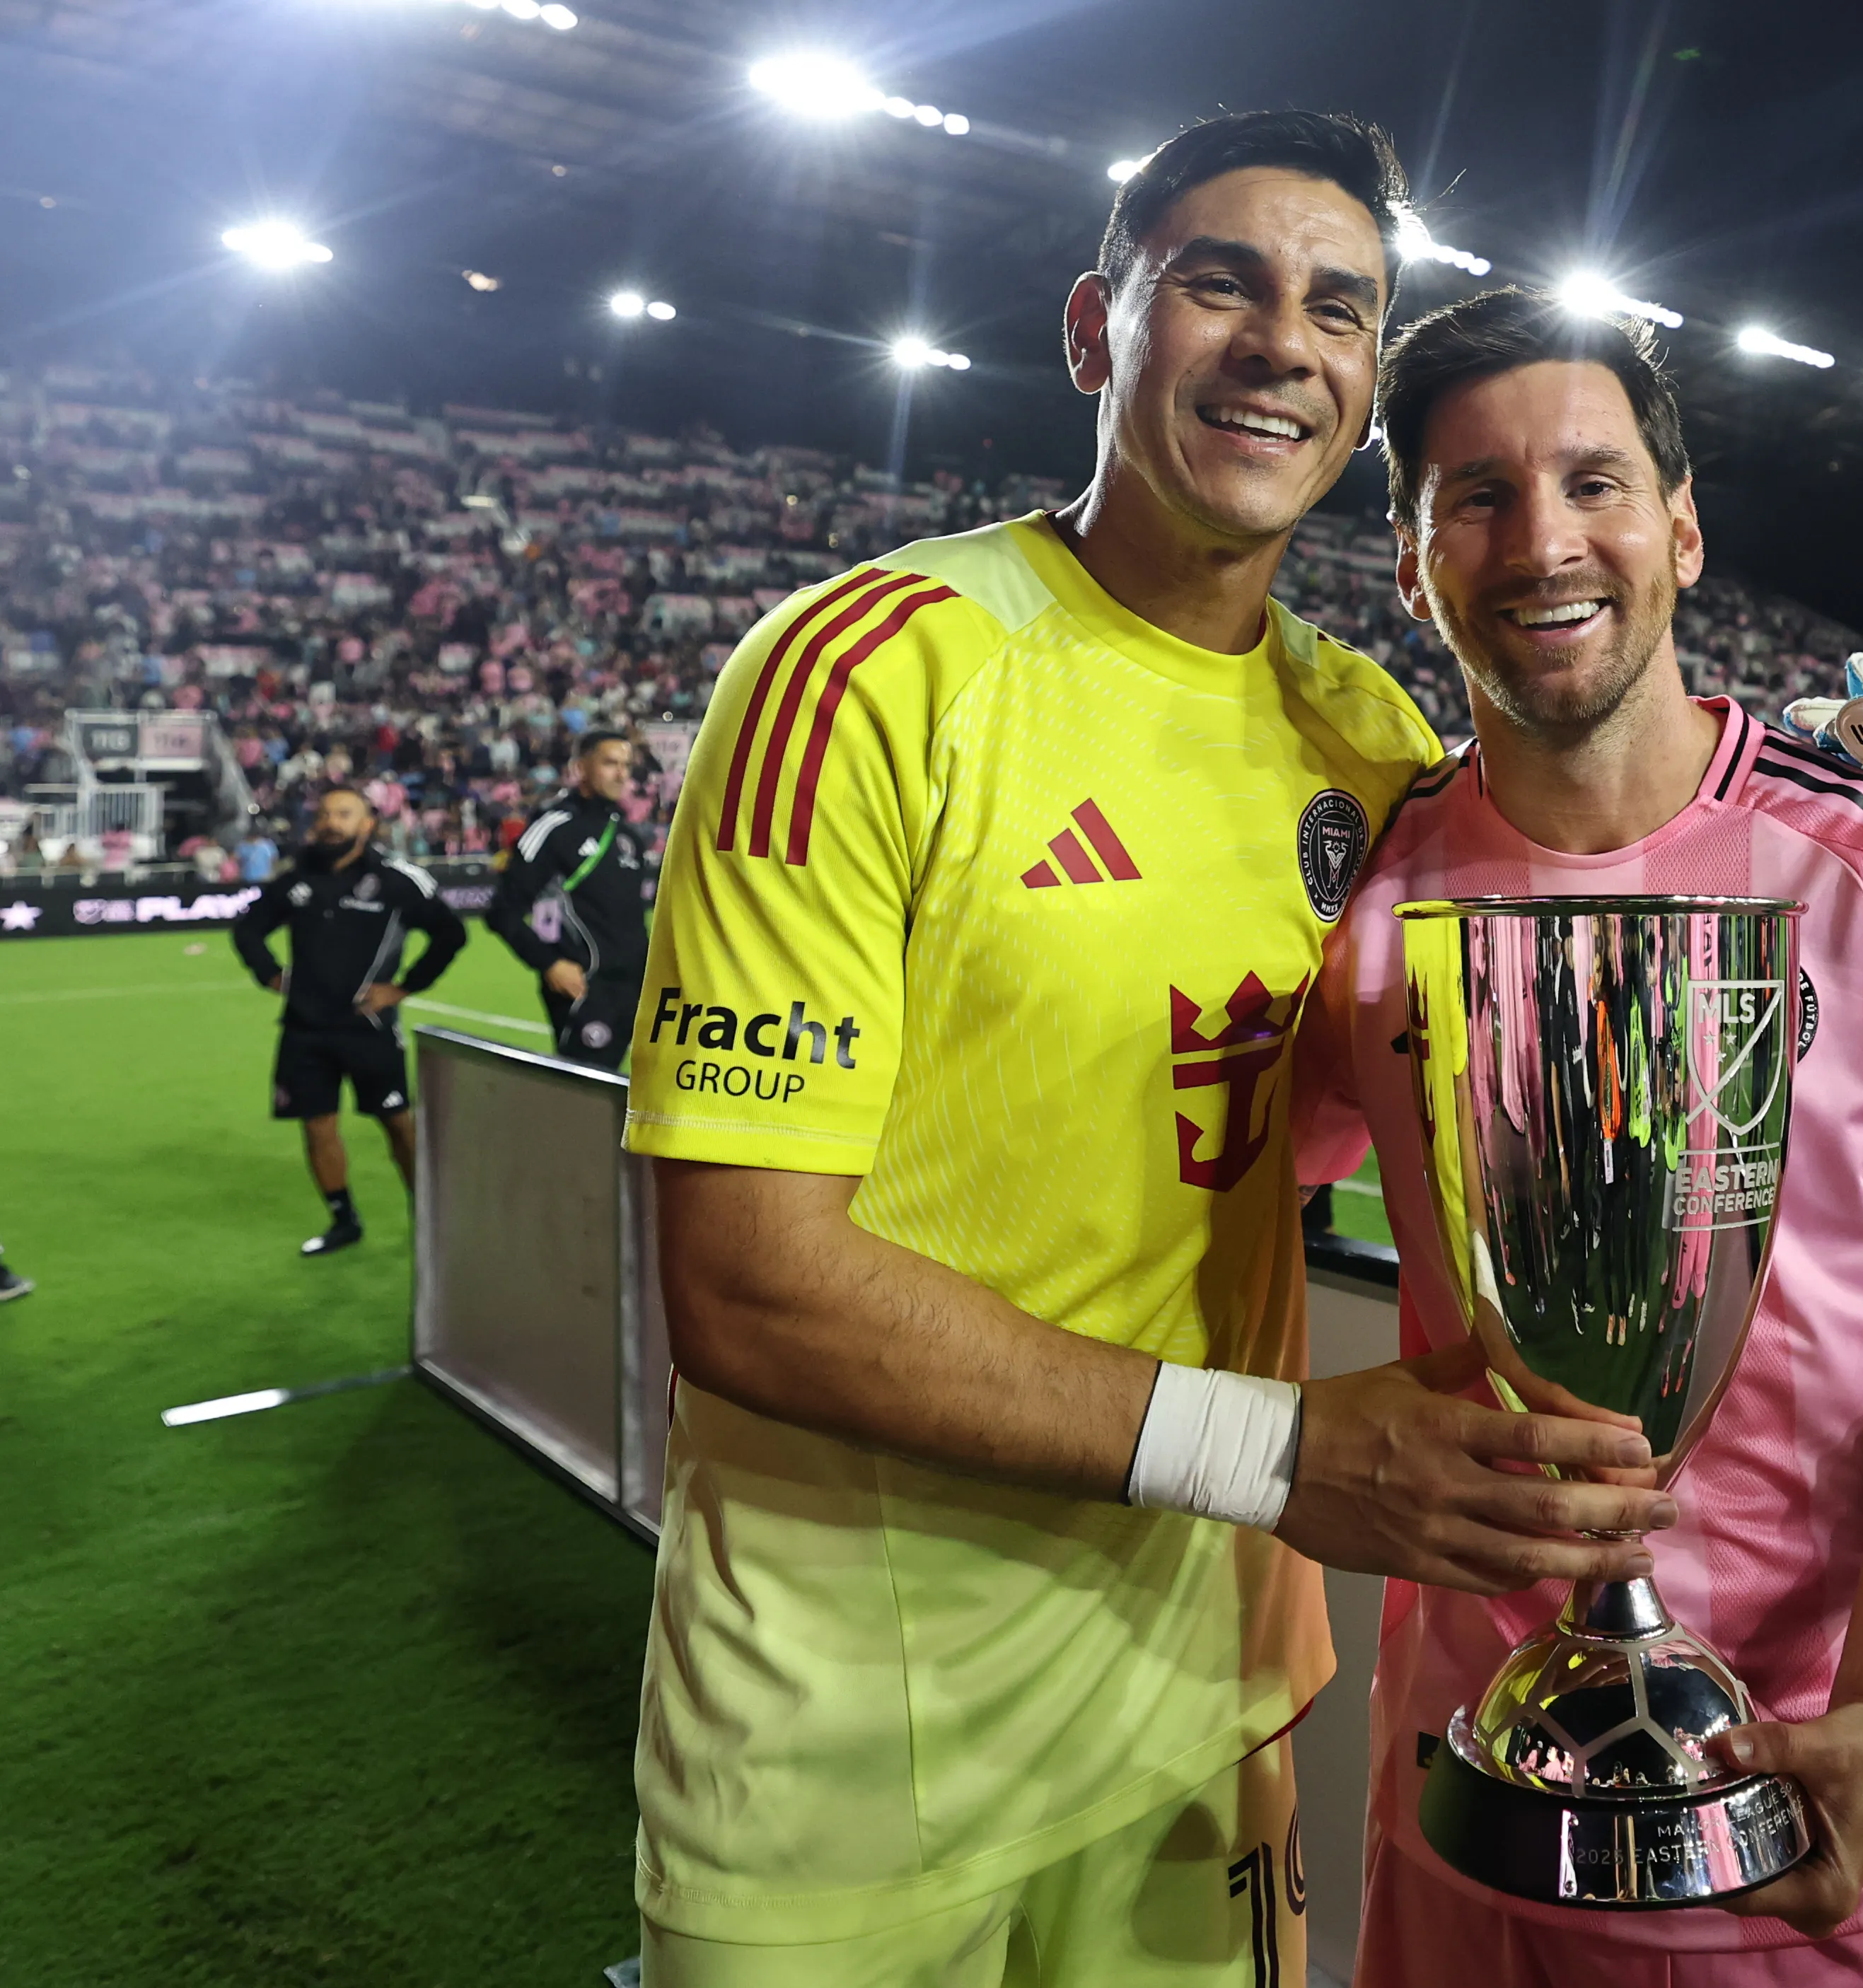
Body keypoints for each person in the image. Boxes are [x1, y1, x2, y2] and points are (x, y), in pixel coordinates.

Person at [617, 112, 1673, 1988]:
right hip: (850, 1753)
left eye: (1340, 305)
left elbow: (1570, 951)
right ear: (1099, 330)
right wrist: (1274, 1453)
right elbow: (746, 1283)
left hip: (1208, 1713)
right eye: (1223, 282)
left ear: (1363, 389)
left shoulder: (1360, 740)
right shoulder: (866, 673)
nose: (1285, 338)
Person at [1299, 287, 1863, 1987]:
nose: (1539, 539)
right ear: (1415, 568)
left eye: (1593, 481)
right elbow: (1213, 1198)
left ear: (1684, 529)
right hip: (1480, 1798)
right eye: (1473, 498)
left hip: (1839, 1804)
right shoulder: (1357, 888)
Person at [229, 785, 467, 1256]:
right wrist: (271, 975)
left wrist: (404, 987)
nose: (331, 822)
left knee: (398, 1123)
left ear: (367, 824)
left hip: (369, 1028)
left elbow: (450, 933)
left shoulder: (397, 879)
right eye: (324, 814)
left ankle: (430, 1216)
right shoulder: (298, 878)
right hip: (304, 1029)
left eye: (344, 813)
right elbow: (249, 928)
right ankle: (343, 1220)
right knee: (317, 1127)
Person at [488, 728, 648, 1069]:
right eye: (610, 763)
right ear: (580, 768)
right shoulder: (553, 827)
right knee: (582, 1107)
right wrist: (549, 963)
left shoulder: (629, 835)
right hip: (584, 990)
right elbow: (502, 911)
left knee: (638, 1104)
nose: (621, 774)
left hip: (637, 990)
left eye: (626, 765)